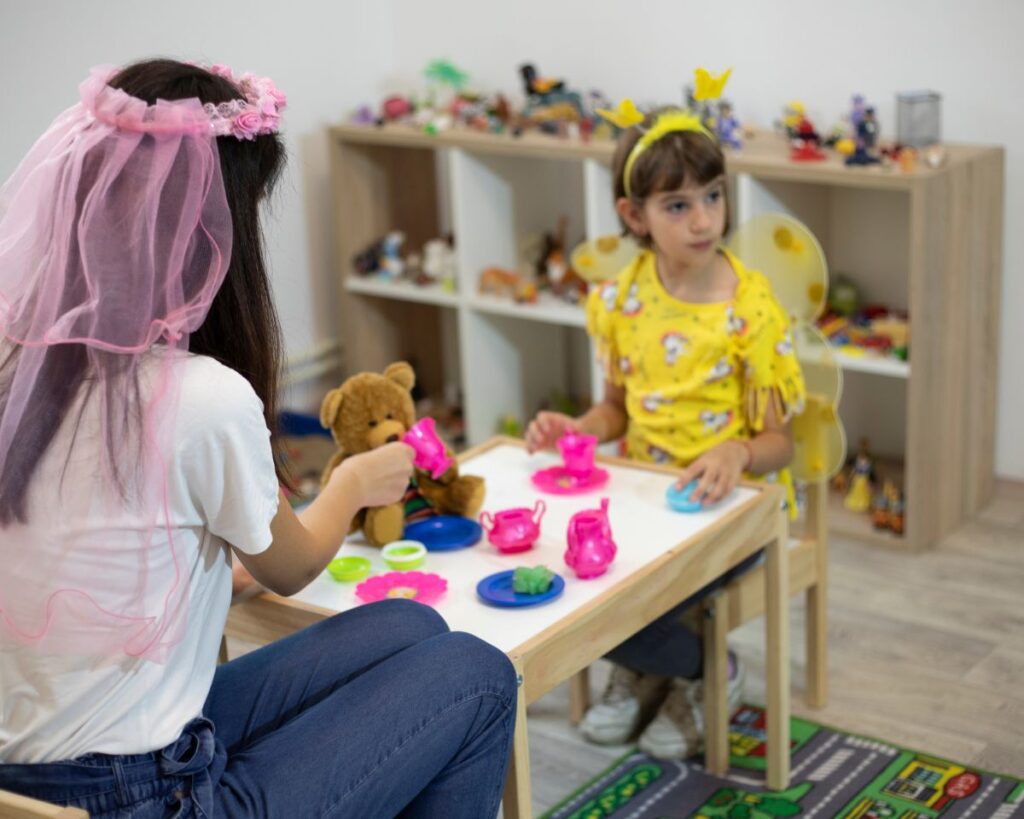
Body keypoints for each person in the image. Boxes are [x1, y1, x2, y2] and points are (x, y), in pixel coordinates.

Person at [0, 59, 516, 818]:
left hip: (34, 772)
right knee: (477, 673)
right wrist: (351, 485)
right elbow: (292, 567)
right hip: (142, 794)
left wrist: (207, 574)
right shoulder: (198, 396)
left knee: (413, 624)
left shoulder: (22, 368)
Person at [526, 100, 805, 760]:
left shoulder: (752, 306)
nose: (705, 218)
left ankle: (686, 668)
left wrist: (738, 449)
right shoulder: (621, 299)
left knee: (620, 597)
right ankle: (672, 664)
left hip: (735, 512)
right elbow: (616, 410)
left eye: (713, 195)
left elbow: (781, 443)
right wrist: (582, 426)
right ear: (634, 216)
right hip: (648, 497)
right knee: (568, 579)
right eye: (678, 205)